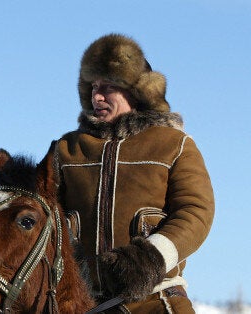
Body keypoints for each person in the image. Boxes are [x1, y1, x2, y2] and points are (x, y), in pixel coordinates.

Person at [50, 34, 215, 313]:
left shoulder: (173, 143)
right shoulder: (66, 149)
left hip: (157, 300)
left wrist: (151, 258)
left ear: (137, 91)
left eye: (108, 86)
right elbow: (38, 211)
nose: (96, 96)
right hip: (83, 304)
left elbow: (196, 211)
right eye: (93, 86)